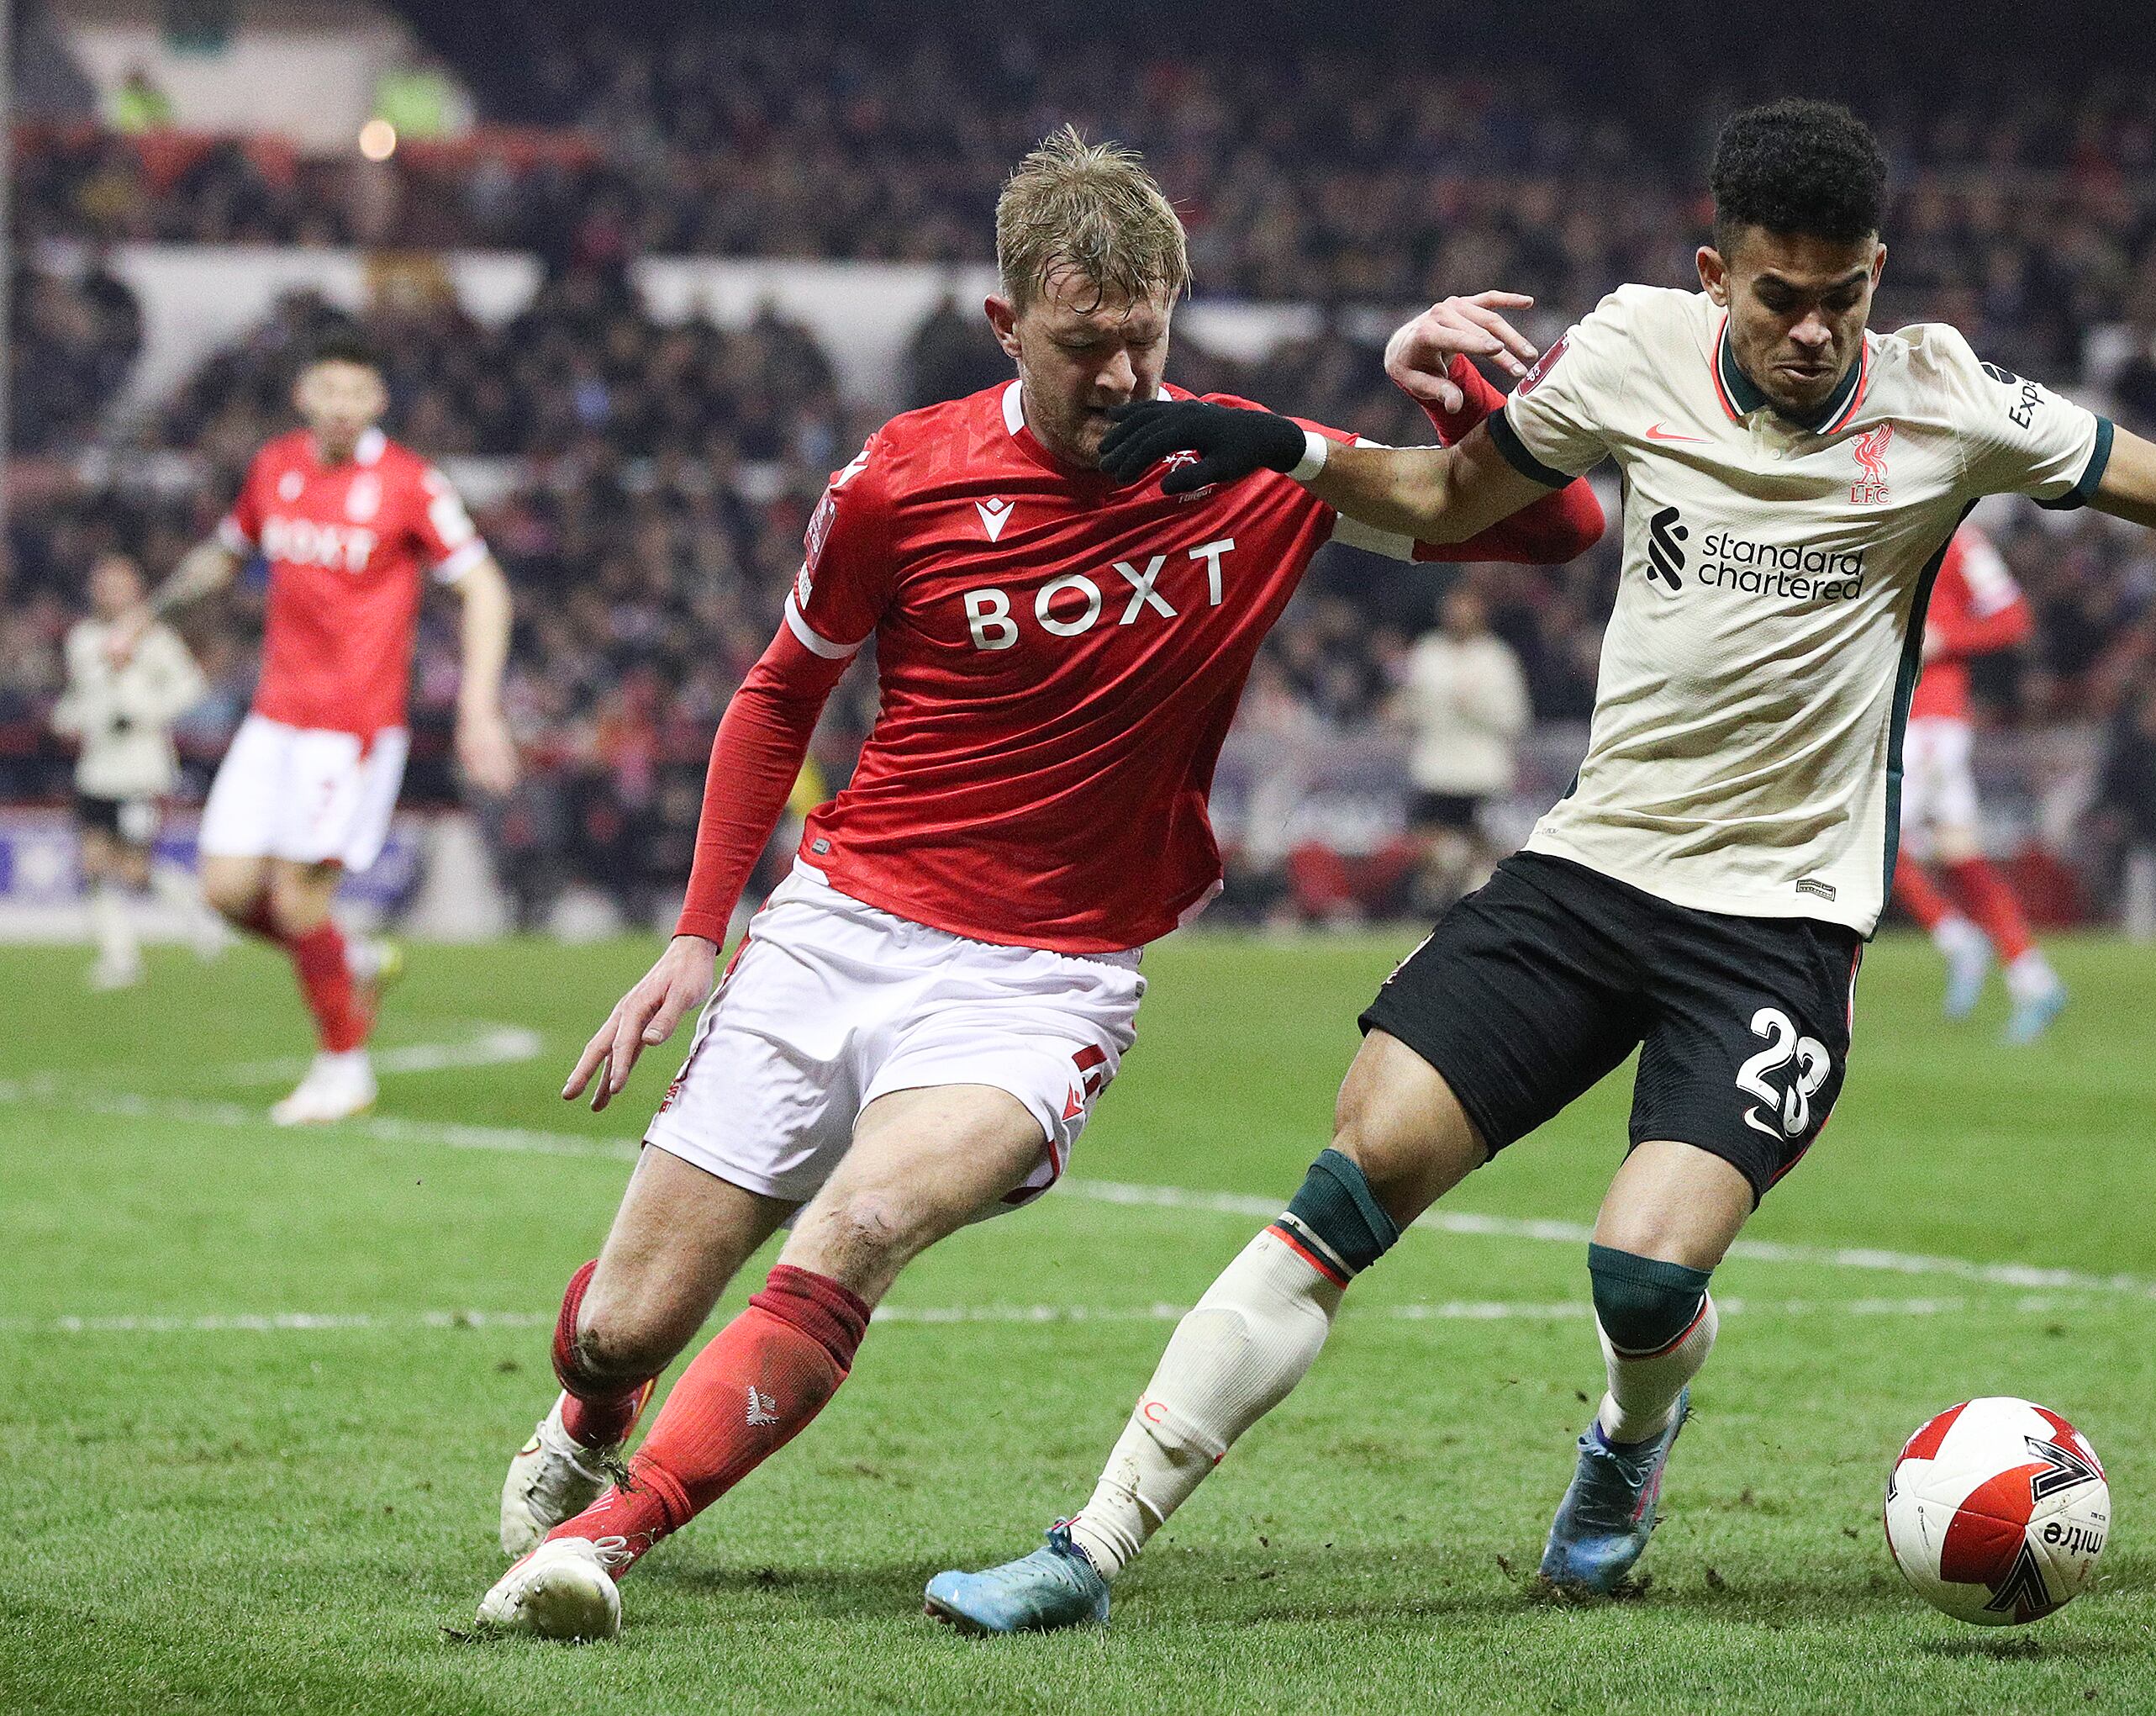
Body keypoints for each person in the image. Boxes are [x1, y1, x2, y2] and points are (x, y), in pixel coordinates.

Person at [928, 98, 2156, 1630]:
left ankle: (1627, 1445)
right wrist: (1271, 438)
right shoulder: (1628, 350)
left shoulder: (1949, 396)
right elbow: (1448, 496)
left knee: (1639, 1270)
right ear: (1717, 276)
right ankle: (1094, 1542)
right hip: (1591, 871)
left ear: (1875, 281)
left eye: (1841, 299)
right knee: (1358, 1170)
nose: (1812, 331)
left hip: (1777, 928)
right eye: (1780, 297)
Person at [474, 129, 1603, 1643]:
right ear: (1011, 327)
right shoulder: (901, 479)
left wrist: (1436, 385)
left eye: (1146, 339)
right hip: (838, 927)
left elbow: (1548, 523)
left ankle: (608, 1540)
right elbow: (775, 693)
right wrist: (698, 933)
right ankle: (593, 1411)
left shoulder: (1240, 461)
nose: (1125, 377)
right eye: (1086, 346)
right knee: (627, 1318)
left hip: (1042, 977)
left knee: (863, 1226)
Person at [148, 329, 519, 1124]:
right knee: (224, 891)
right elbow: (224, 553)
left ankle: (344, 1068)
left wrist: (479, 707)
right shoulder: (273, 467)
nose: (344, 406)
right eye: (330, 390)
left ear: (378, 401)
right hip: (274, 717)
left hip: (351, 728)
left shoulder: (411, 484)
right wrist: (148, 616)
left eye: (360, 392)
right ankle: (354, 960)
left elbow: (485, 588)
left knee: (297, 899)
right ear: (304, 395)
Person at [1884, 523, 2066, 1039]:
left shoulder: (1961, 539)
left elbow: (2014, 617)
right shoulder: (1884, 514)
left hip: (1929, 720)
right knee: (1960, 855)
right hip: (1903, 714)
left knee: (1873, 833)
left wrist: (1943, 638)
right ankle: (2033, 977)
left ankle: (1957, 939)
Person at [51, 552, 218, 988]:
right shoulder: (83, 639)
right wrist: (67, 716)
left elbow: (190, 686)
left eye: (117, 583)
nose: (107, 591)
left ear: (135, 589)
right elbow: (81, 693)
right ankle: (120, 957)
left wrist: (145, 714)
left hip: (139, 771)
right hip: (95, 770)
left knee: (133, 871)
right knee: (92, 866)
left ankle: (197, 910)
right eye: (101, 583)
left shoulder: (155, 639)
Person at [1400, 584, 1532, 907]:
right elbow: (1412, 705)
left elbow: (1515, 717)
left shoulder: (1496, 657)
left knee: (1479, 843)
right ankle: (1440, 898)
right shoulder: (1428, 651)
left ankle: (1475, 900)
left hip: (1480, 770)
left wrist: (1474, 704)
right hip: (1435, 767)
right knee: (1429, 839)